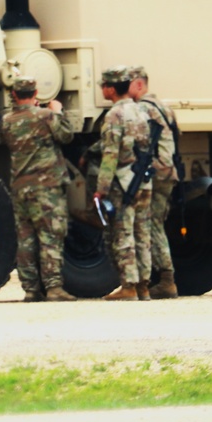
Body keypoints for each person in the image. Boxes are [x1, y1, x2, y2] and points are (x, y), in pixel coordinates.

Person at [0, 76, 77, 302]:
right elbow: (65, 135)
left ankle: (31, 289)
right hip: (47, 188)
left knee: (26, 239)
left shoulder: (7, 120)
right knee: (50, 235)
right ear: (35, 94)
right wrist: (58, 111)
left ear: (14, 95)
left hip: (21, 187)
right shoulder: (46, 116)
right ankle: (54, 287)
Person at [93, 66, 153, 301]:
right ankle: (144, 286)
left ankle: (129, 286)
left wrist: (102, 188)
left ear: (110, 88)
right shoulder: (141, 111)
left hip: (123, 182)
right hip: (144, 179)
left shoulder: (114, 115)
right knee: (143, 232)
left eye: (103, 86)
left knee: (124, 233)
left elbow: (110, 154)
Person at [129, 66, 180, 299]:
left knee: (150, 225)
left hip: (155, 173)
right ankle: (165, 279)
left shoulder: (142, 108)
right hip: (168, 171)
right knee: (155, 223)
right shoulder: (164, 107)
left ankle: (165, 280)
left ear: (139, 84)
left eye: (129, 83)